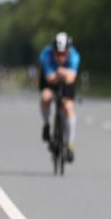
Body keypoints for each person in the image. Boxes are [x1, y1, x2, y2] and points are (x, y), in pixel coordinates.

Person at [38, 32, 81, 162]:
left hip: (66, 80)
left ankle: (70, 145)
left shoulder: (74, 56)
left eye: (64, 54)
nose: (61, 57)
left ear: (68, 51)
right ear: (53, 50)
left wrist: (61, 72)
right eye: (58, 53)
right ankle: (46, 124)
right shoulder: (45, 55)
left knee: (68, 107)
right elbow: (49, 78)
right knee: (46, 97)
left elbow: (71, 78)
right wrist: (61, 73)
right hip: (50, 80)